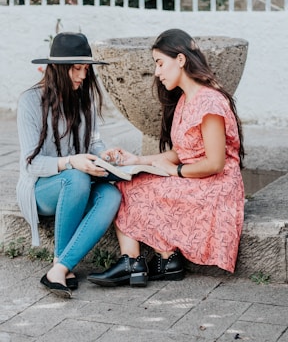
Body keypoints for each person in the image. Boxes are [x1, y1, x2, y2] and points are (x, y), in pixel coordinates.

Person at [87, 28, 245, 288]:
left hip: (217, 186)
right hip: (198, 176)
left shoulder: (210, 103)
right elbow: (182, 151)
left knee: (134, 188)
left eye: (160, 63)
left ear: (180, 60)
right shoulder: (185, 100)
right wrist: (138, 159)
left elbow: (216, 163)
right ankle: (152, 261)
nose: (157, 72)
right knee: (128, 181)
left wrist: (175, 171)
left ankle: (147, 261)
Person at [16, 32, 122, 298]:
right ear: (58, 69)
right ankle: (58, 262)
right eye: (77, 69)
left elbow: (94, 144)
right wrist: (70, 162)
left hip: (78, 183)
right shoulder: (29, 101)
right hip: (40, 190)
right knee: (75, 177)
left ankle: (61, 268)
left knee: (111, 194)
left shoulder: (84, 100)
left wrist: (105, 156)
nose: (83, 76)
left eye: (85, 69)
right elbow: (31, 164)